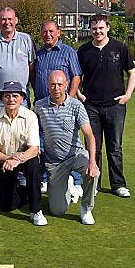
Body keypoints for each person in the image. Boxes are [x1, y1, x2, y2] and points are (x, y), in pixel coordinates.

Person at [78, 14, 135, 198]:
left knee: (115, 147)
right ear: (90, 30)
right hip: (91, 107)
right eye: (94, 28)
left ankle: (118, 184)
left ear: (108, 28)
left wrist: (127, 95)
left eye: (101, 28)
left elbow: (132, 73)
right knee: (93, 147)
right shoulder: (83, 51)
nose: (98, 31)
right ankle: (94, 182)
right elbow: (77, 76)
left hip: (115, 106)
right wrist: (80, 94)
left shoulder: (120, 48)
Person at [34, 71, 99, 224]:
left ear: (66, 85)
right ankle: (67, 186)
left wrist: (92, 162)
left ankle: (86, 208)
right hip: (55, 162)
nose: (56, 88)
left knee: (93, 172)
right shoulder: (39, 106)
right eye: (53, 85)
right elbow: (33, 130)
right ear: (48, 86)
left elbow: (89, 135)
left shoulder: (76, 105)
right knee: (57, 211)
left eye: (60, 84)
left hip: (76, 155)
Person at [34, 20, 83, 198]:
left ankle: (76, 180)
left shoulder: (68, 51)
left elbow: (76, 77)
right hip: (42, 106)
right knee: (44, 142)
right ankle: (46, 178)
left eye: (51, 31)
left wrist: (67, 100)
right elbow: (34, 77)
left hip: (63, 105)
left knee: (68, 142)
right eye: (45, 31)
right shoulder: (38, 54)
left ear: (58, 32)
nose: (48, 34)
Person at [0, 81, 47, 226]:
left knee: (34, 167)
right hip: (4, 161)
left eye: (15, 95)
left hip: (25, 159)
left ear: (22, 98)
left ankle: (36, 210)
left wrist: (16, 160)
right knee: (7, 206)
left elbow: (34, 149)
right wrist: (9, 159)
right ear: (2, 99)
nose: (11, 99)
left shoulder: (30, 116)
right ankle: (25, 191)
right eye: (7, 96)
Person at [0, 7, 36, 112]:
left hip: (21, 97)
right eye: (3, 19)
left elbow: (31, 67)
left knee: (22, 128)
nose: (7, 22)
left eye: (10, 19)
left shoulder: (26, 39)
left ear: (16, 20)